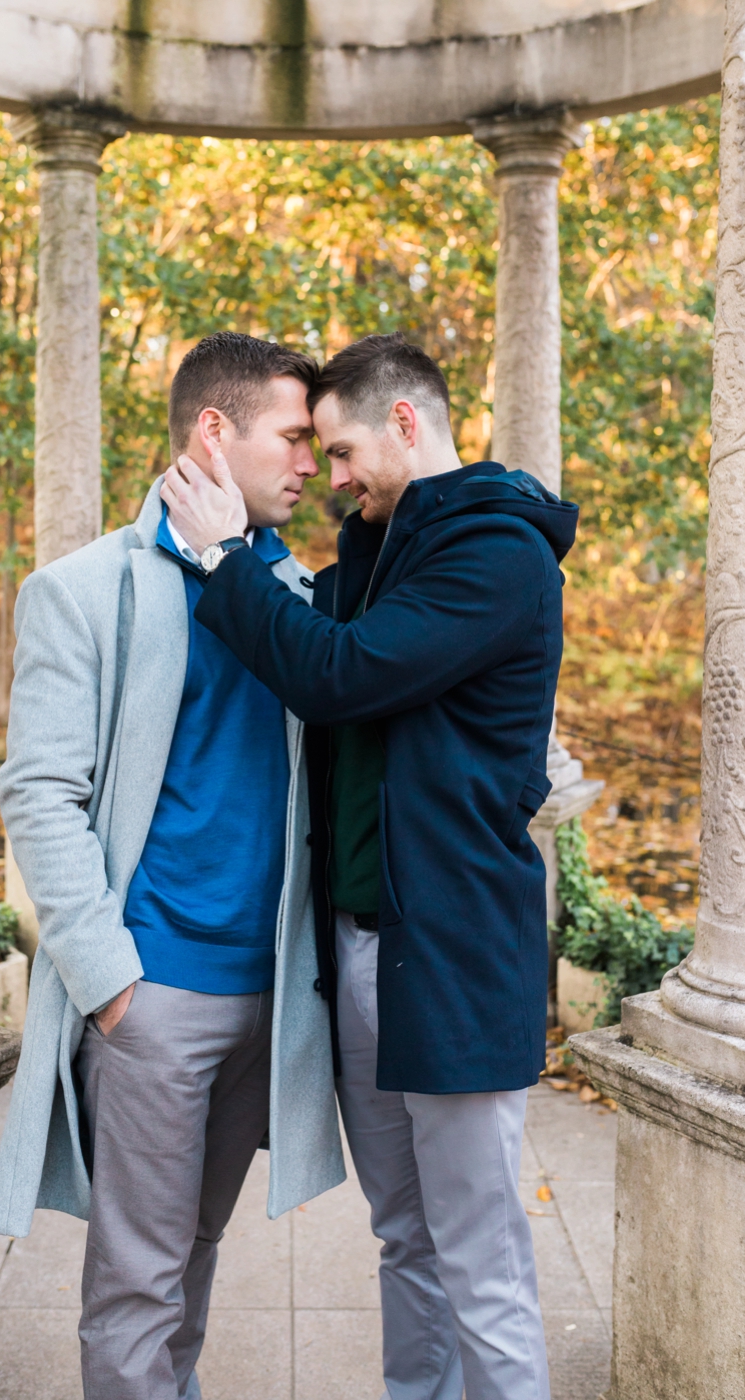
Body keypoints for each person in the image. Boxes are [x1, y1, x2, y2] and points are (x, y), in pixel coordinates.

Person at [162, 331, 576, 1400]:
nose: (330, 479)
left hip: (452, 955)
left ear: (405, 421)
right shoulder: (373, 551)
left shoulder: (496, 552)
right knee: (403, 1234)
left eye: (341, 453)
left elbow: (335, 675)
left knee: (479, 1259)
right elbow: (308, 637)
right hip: (356, 950)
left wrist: (217, 557)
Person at [0, 332, 346, 1399]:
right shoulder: (81, 589)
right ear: (212, 431)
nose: (307, 465)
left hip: (267, 1003)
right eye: (289, 437)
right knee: (136, 1281)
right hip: (152, 1001)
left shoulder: (294, 595)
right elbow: (38, 793)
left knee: (192, 1259)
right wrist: (110, 987)